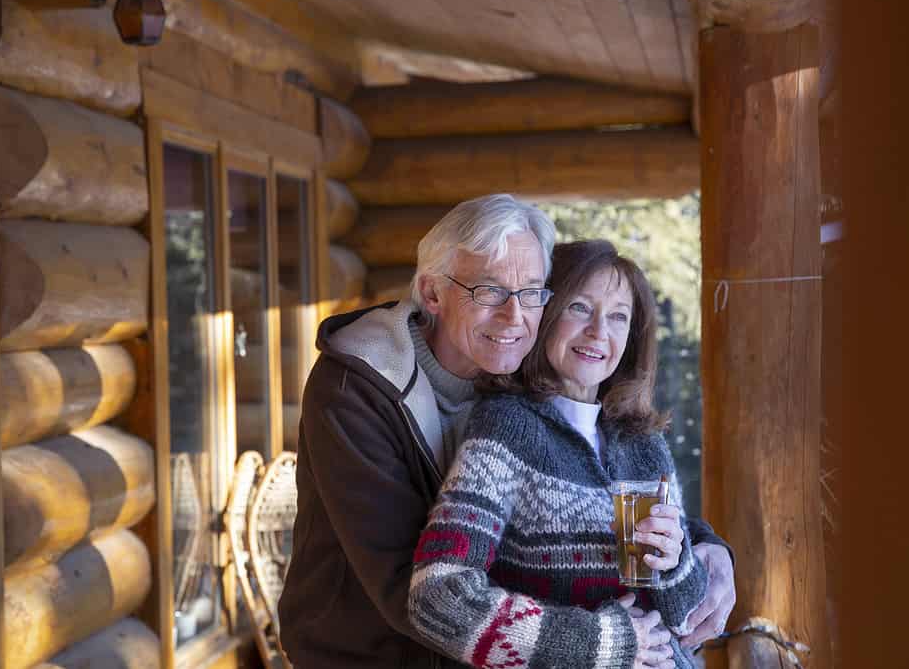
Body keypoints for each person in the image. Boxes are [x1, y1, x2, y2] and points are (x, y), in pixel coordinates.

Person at [280, 196, 734, 668]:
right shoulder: (356, 388)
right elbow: (415, 590)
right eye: (489, 292)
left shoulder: (515, 381)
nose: (515, 318)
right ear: (432, 294)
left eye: (533, 292)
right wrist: (595, 644)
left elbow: (598, 503)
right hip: (365, 653)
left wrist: (704, 546)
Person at [408, 240, 718, 669]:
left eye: (617, 317)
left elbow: (688, 623)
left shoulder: (644, 444)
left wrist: (676, 562)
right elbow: (438, 596)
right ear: (546, 315)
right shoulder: (509, 428)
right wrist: (594, 642)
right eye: (579, 308)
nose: (598, 332)